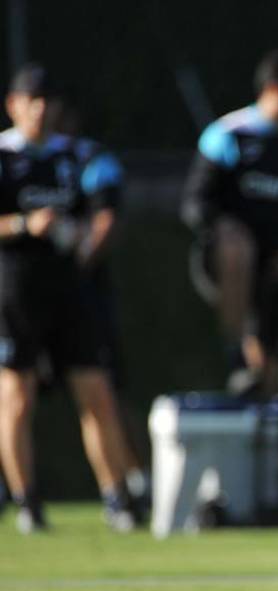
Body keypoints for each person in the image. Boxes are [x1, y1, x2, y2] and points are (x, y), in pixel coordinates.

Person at [0, 64, 137, 532]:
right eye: (30, 101)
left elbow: (107, 210)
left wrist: (86, 241)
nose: (40, 110)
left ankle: (117, 498)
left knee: (96, 392)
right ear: (13, 106)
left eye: (47, 101)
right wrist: (23, 224)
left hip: (70, 289)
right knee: (16, 396)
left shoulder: (80, 156)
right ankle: (27, 502)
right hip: (14, 290)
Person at [181, 49, 278, 397]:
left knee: (273, 374)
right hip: (226, 262)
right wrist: (225, 227)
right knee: (238, 247)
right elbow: (194, 204)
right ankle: (237, 357)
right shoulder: (230, 134)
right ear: (276, 88)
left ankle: (268, 396)